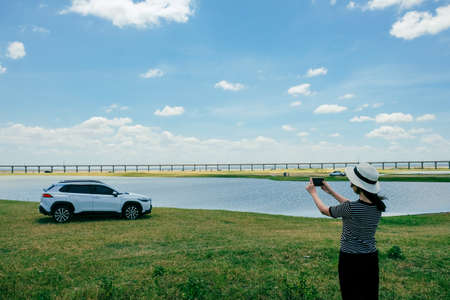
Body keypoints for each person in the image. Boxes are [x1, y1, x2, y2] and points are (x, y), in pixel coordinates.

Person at [305, 163, 386, 300]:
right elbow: (351, 206)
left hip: (350, 260)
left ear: (358, 186)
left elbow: (324, 210)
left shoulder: (351, 208)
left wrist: (313, 193)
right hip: (370, 258)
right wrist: (331, 192)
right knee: (369, 295)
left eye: (352, 182)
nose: (350, 184)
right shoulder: (378, 206)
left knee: (350, 294)